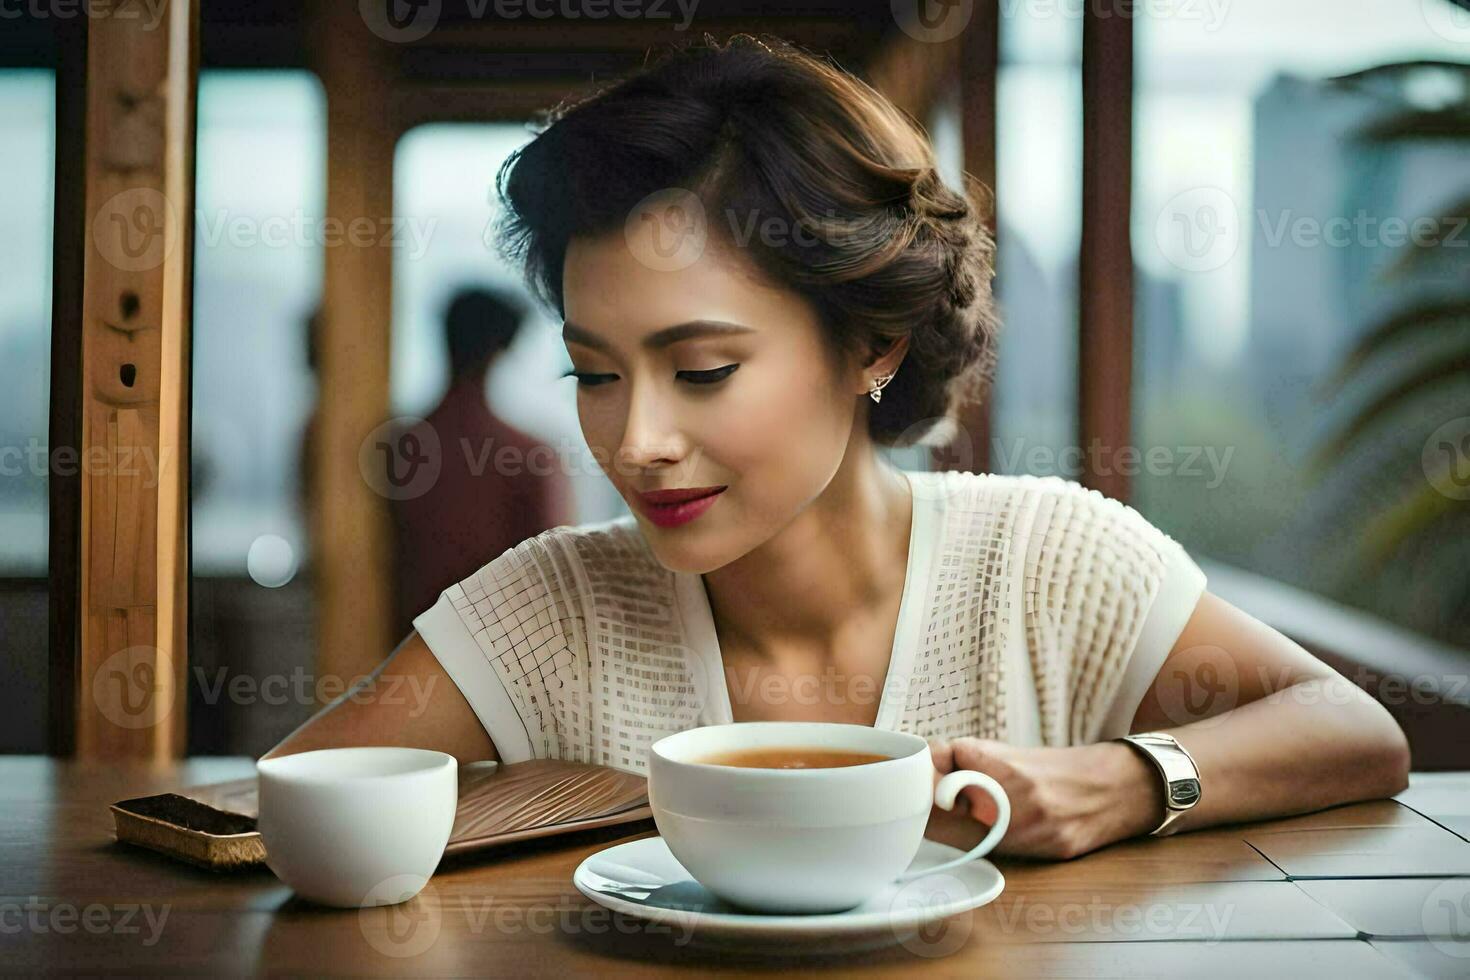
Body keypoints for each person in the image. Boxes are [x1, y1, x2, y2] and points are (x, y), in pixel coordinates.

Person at [262, 35, 1408, 860]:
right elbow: (274, 811)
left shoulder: (1047, 558)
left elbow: (1351, 728)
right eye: (594, 373)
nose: (638, 440)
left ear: (873, 343)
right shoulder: (548, 608)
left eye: (703, 368)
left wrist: (1127, 778)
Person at [386, 288, 570, 638]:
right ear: (503, 350)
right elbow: (552, 576)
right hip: (494, 652)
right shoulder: (526, 455)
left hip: (400, 646)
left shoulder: (398, 446)